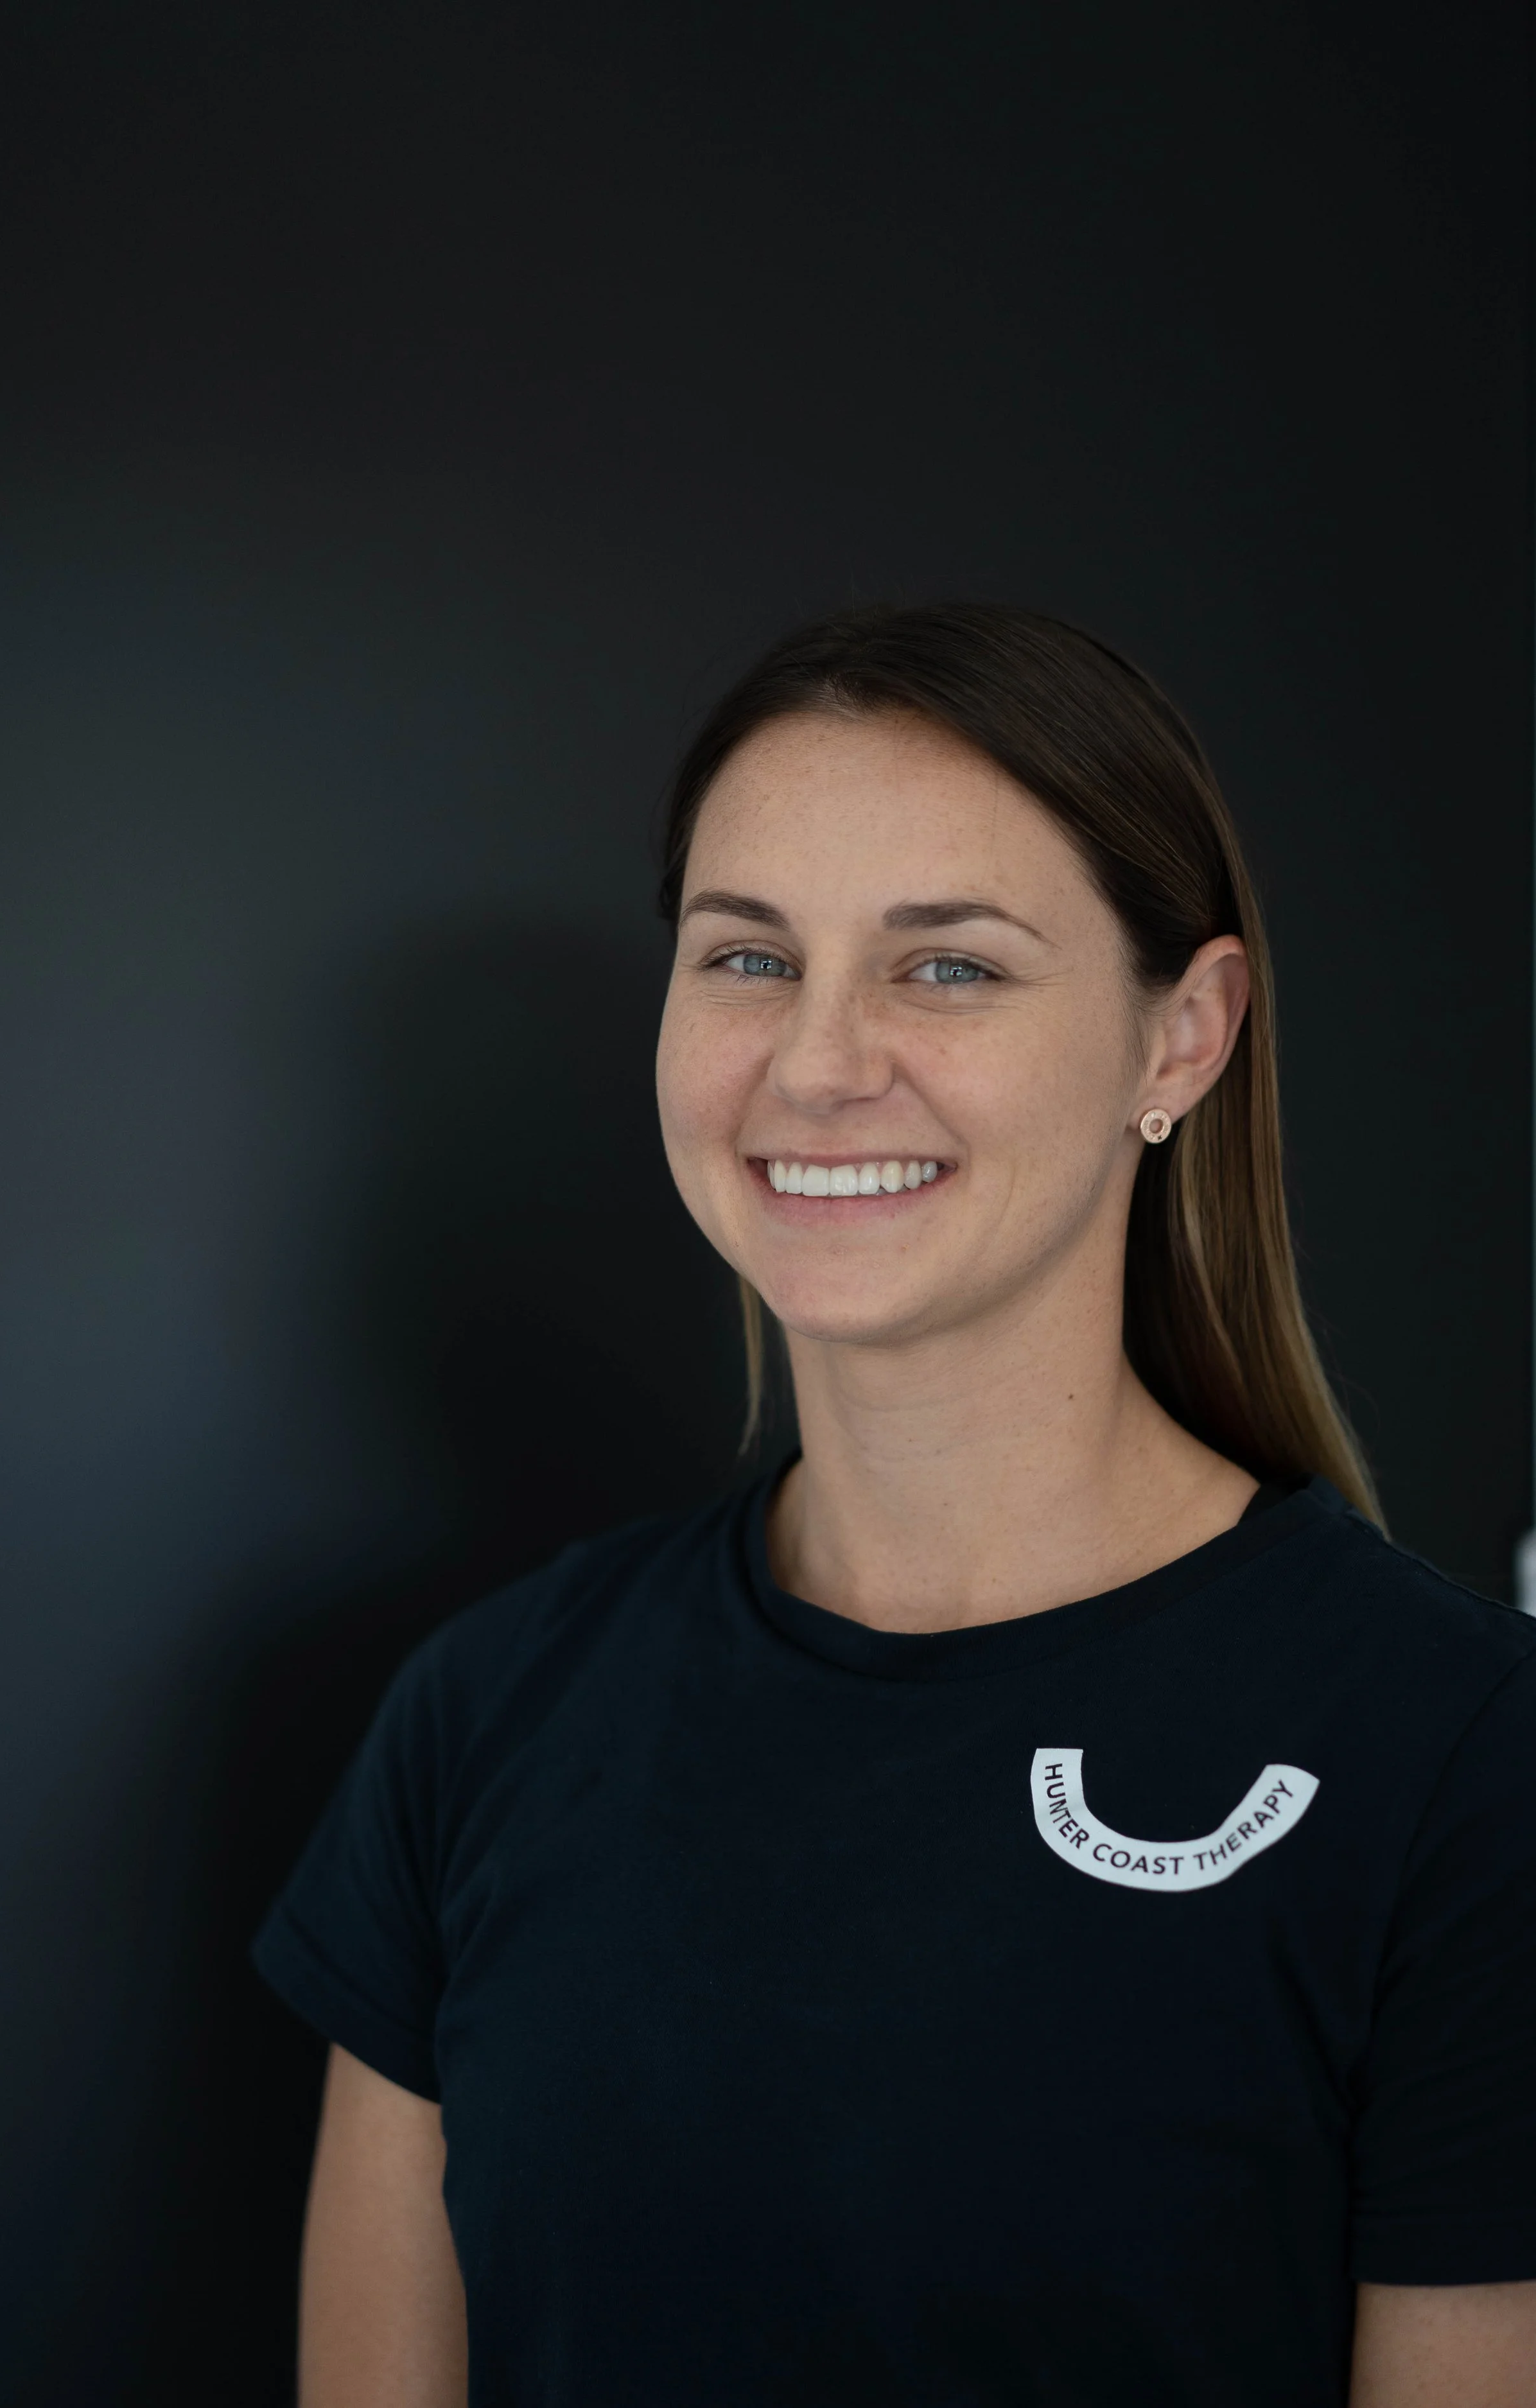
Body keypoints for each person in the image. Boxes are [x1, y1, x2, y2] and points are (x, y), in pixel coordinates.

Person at [254, 603, 1536, 2407]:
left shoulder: (1462, 1765)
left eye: (946, 966)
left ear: (1180, 1038)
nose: (819, 1060)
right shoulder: (481, 1717)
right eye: (748, 957)